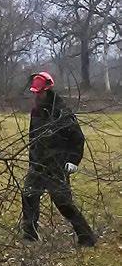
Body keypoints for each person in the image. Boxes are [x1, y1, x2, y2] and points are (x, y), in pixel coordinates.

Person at [21, 72, 96, 247]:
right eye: (34, 93)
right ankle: (29, 234)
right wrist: (32, 159)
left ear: (47, 90)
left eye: (39, 93)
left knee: (63, 203)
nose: (36, 96)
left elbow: (77, 139)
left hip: (56, 165)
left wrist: (73, 161)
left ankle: (87, 237)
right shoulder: (36, 112)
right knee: (29, 195)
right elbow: (33, 138)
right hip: (38, 163)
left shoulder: (62, 113)